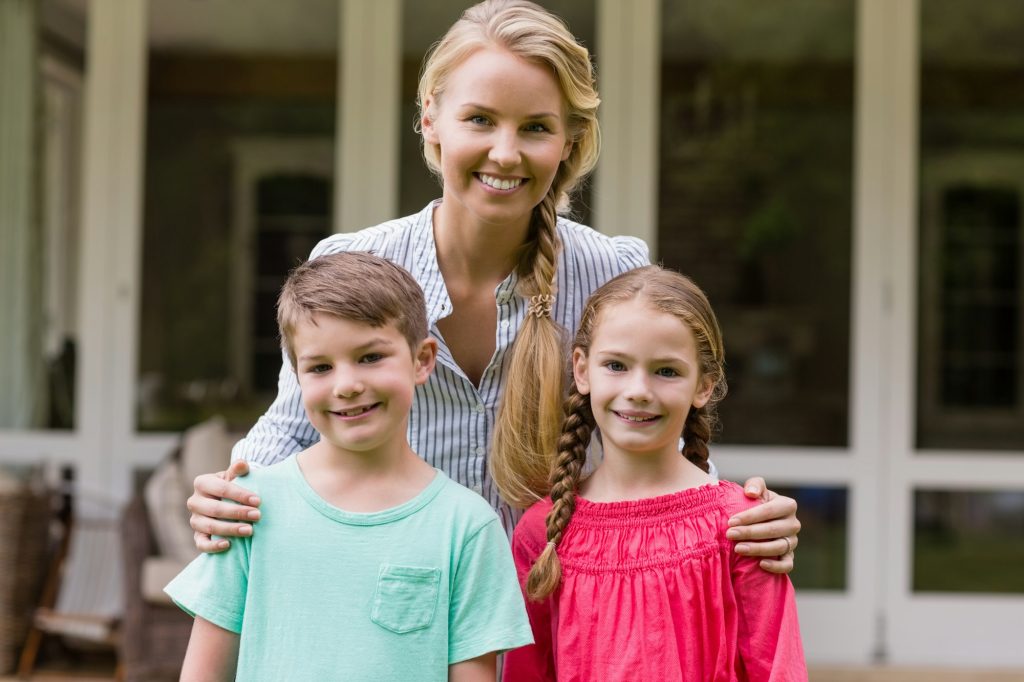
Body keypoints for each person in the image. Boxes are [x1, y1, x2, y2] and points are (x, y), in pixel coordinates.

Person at [187, 0, 800, 569]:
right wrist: (232, 490)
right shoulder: (356, 263)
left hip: (561, 618)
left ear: (568, 142)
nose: (505, 153)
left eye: (535, 127)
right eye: (480, 119)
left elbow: (663, 442)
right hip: (396, 601)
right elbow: (294, 425)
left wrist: (741, 520)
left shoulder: (613, 277)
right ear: (431, 120)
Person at [165, 252, 533, 681]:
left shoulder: (466, 526)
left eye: (370, 357)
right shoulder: (248, 507)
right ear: (297, 377)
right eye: (320, 367)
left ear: (422, 360)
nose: (347, 385)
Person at [503, 265, 807, 681]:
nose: (639, 390)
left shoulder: (743, 527)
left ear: (703, 385)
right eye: (616, 365)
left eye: (666, 371)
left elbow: (777, 668)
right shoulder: (544, 533)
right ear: (581, 369)